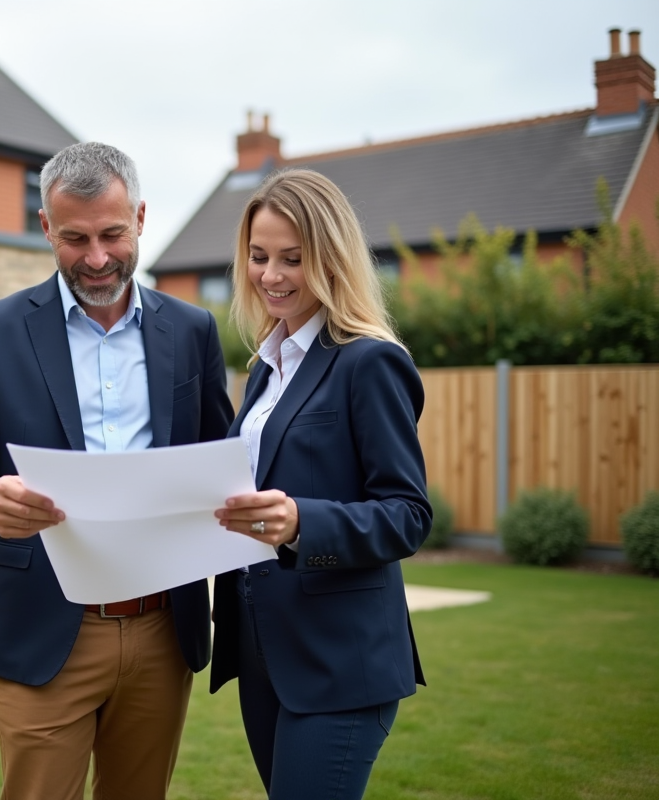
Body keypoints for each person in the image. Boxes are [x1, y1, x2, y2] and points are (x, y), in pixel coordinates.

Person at [0, 142, 234, 800]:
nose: (96, 258)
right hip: (42, 625)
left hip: (161, 629)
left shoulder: (194, 330)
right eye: (75, 238)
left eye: (113, 234)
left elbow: (222, 463)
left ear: (141, 218)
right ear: (45, 228)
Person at [209, 168, 432, 799]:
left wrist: (302, 524)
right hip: (264, 652)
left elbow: (407, 514)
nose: (270, 275)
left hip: (340, 662)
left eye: (292, 260)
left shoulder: (370, 362)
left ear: (330, 259)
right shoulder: (263, 371)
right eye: (258, 257)